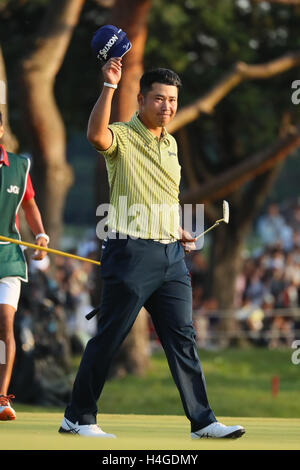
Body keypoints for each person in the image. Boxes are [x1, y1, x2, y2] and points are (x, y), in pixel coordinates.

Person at [59, 59, 245, 439]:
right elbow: (96, 136)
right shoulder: (123, 136)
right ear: (141, 99)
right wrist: (109, 86)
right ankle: (77, 418)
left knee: (183, 339)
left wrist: (177, 229)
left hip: (170, 258)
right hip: (130, 254)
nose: (167, 107)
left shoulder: (172, 144)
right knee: (110, 337)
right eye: (158, 99)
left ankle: (203, 421)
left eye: (173, 100)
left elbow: (163, 196)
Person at [0, 111, 49, 420]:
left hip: (8, 257)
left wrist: (41, 233)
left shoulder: (19, 166)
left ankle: (2, 398)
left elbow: (29, 202)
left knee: (5, 325)